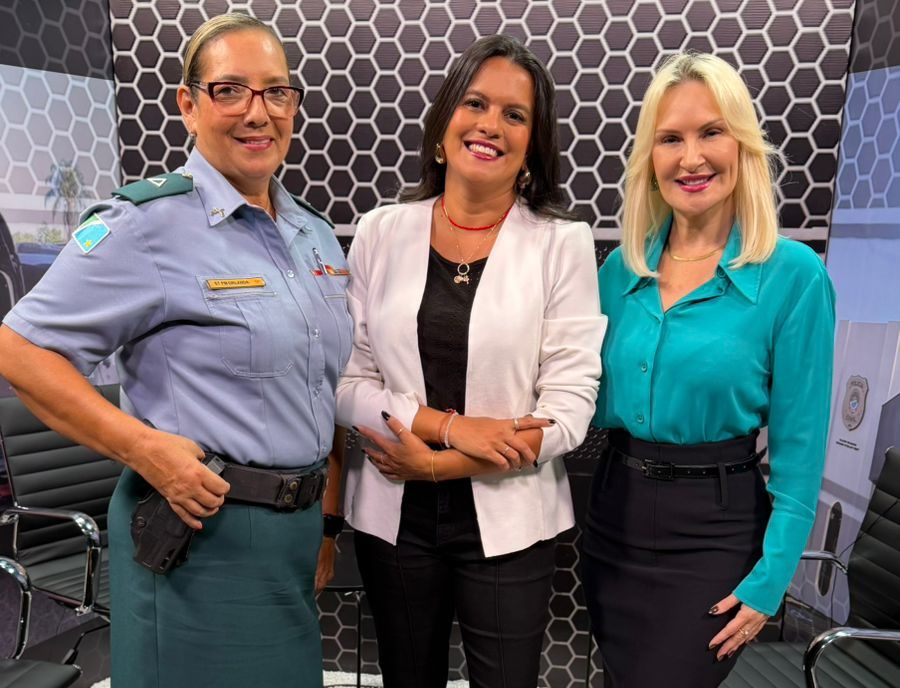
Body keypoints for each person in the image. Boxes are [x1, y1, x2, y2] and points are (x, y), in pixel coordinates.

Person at [0, 13, 350, 688]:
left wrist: (325, 520)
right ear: (188, 104)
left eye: (276, 92)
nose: (258, 112)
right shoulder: (146, 226)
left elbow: (320, 386)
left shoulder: (313, 233)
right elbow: (19, 350)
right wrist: (142, 447)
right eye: (230, 90)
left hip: (294, 534)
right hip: (201, 535)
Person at [334, 34, 605, 688]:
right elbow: (346, 383)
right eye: (475, 103)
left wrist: (440, 464)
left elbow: (569, 409)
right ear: (443, 122)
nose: (490, 125)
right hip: (392, 516)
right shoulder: (379, 231)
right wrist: (450, 428)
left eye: (515, 114)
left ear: (532, 145)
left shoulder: (562, 244)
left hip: (511, 519)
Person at [580, 52, 836, 687]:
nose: (690, 158)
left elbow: (801, 455)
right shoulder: (618, 272)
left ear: (742, 145)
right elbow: (576, 398)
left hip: (714, 530)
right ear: (650, 158)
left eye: (711, 132)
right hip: (613, 515)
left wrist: (771, 581)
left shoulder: (794, 276)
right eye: (671, 138)